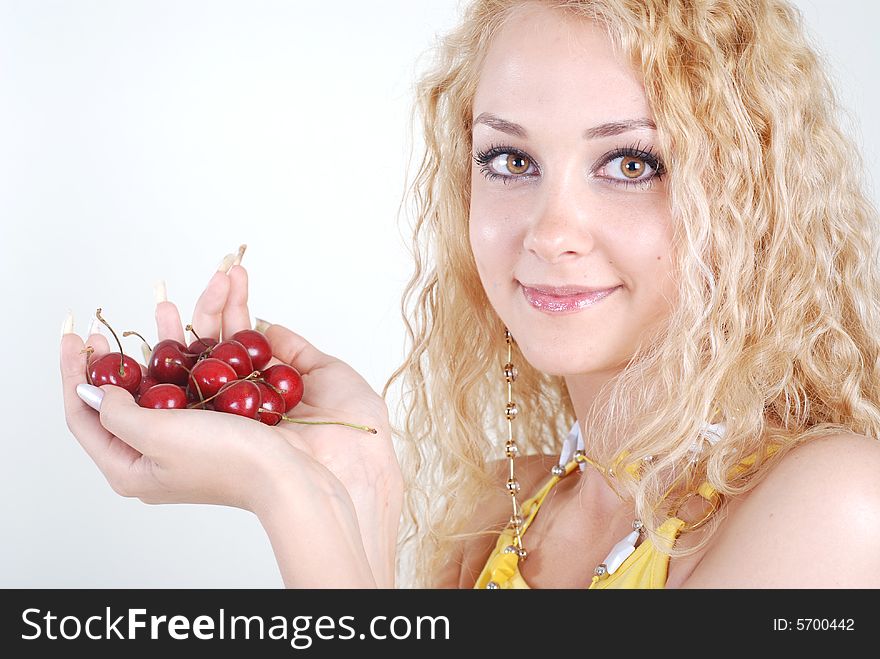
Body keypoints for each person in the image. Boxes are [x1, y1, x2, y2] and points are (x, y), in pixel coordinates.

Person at [60, 0, 880, 589]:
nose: (551, 231)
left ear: (751, 198)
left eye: (632, 163)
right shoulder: (509, 508)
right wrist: (356, 477)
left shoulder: (836, 507)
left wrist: (293, 498)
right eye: (510, 161)